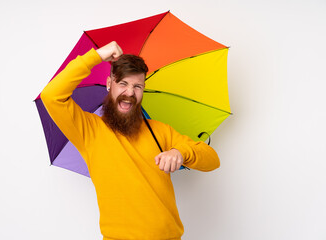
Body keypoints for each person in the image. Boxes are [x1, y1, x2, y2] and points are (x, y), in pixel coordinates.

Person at [41, 41, 220, 240]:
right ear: (109, 84)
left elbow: (212, 159)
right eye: (123, 84)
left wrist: (180, 152)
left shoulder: (159, 130)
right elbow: (51, 96)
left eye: (137, 86)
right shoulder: (88, 130)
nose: (129, 93)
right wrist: (97, 56)